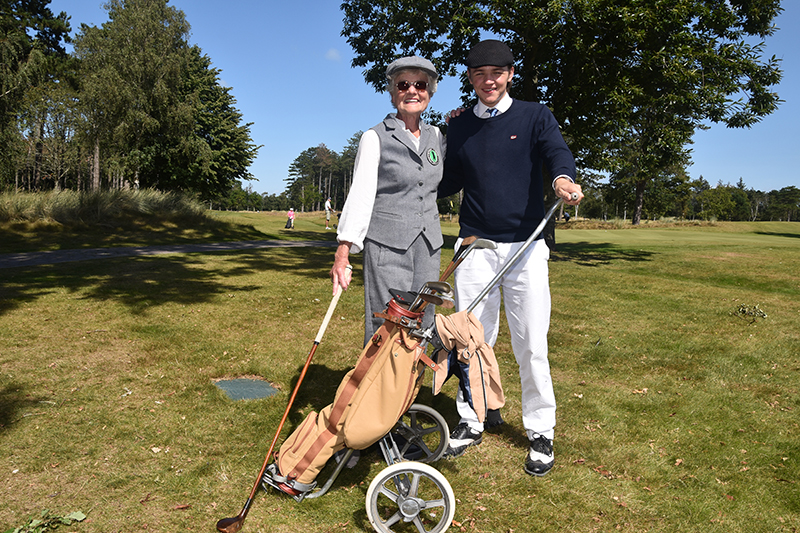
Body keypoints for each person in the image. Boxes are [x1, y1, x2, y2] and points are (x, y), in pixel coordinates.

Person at [438, 39, 583, 477]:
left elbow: (556, 153)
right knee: (471, 339)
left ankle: (541, 431)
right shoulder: (459, 125)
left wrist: (562, 179)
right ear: (470, 77)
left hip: (525, 246)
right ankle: (473, 417)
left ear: (510, 73)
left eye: (496, 72)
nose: (489, 80)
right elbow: (446, 180)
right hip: (474, 246)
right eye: (480, 73)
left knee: (531, 343)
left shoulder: (535, 115)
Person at [330, 56, 445, 346]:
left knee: (424, 323)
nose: (412, 91)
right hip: (387, 246)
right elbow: (361, 194)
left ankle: (410, 390)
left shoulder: (438, 136)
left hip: (428, 247)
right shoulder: (374, 137)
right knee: (387, 322)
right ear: (392, 92)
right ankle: (376, 389)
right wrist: (343, 252)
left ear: (429, 92)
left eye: (420, 85)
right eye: (403, 84)